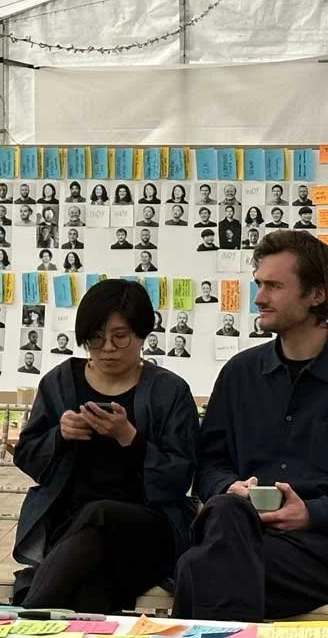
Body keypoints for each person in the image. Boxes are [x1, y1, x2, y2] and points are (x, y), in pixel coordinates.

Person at [11, 278, 199, 612]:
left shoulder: (169, 391)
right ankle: (42, 621)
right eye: (96, 338)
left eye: (120, 336)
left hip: (148, 530)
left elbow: (181, 476)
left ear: (142, 334)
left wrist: (131, 439)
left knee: (99, 514)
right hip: (70, 528)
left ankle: (30, 614)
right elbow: (27, 455)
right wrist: (60, 435)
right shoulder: (60, 383)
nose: (107, 348)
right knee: (93, 575)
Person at [174, 231, 328, 619]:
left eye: (274, 286)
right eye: (259, 284)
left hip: (318, 546)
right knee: (225, 519)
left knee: (197, 567)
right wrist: (229, 487)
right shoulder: (239, 373)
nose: (258, 298)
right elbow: (209, 466)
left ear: (317, 294)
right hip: (243, 534)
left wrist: (312, 513)